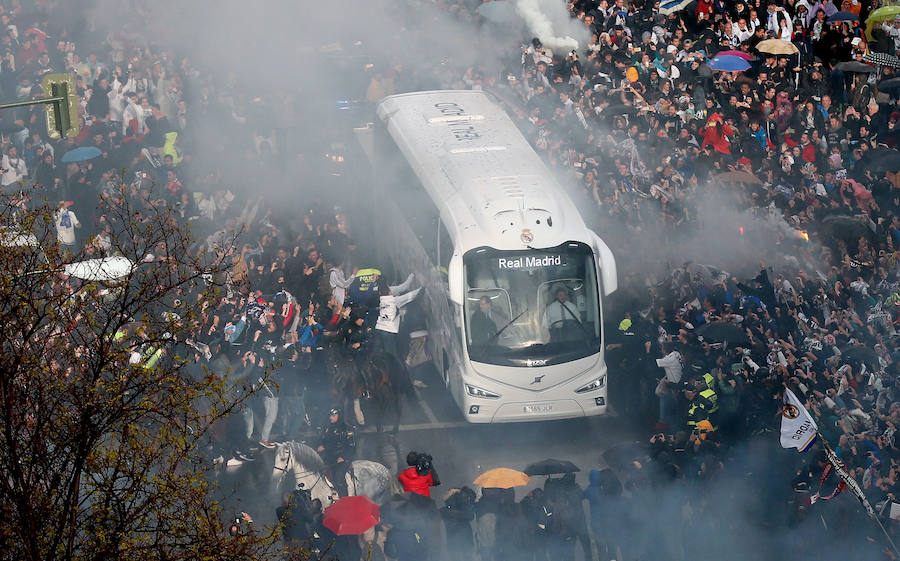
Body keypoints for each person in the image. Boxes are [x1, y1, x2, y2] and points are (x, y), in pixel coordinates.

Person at [317, 407, 355, 497]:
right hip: (329, 458)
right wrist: (320, 446)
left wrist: (344, 457)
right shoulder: (327, 428)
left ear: (339, 416)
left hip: (342, 459)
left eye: (333, 415)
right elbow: (323, 441)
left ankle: (345, 498)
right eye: (330, 416)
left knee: (338, 477)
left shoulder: (347, 429)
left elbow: (351, 446)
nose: (331, 418)